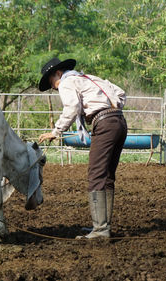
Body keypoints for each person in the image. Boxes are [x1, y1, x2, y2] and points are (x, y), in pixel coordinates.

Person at [37, 57, 128, 239]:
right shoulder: (89, 78)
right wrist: (111, 108)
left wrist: (56, 131)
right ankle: (103, 225)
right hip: (119, 121)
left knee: (95, 174)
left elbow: (72, 106)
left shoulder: (66, 82)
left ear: (58, 73)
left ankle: (101, 229)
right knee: (107, 175)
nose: (54, 87)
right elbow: (121, 93)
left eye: (51, 81)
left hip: (104, 124)